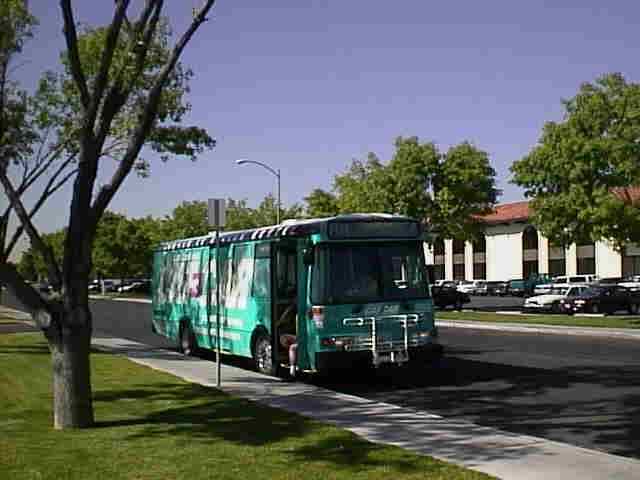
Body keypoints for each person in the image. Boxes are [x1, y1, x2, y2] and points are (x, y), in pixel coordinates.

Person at [277, 302, 298, 378]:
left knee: (292, 347)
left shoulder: (295, 312)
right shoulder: (294, 311)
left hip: (305, 341)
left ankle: (292, 373)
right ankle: (292, 369)